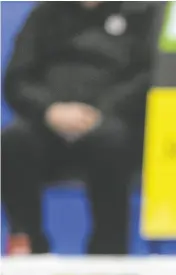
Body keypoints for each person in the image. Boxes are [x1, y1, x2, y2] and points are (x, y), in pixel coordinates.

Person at [1, 1, 157, 255]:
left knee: (112, 140)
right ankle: (27, 243)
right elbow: (17, 79)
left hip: (110, 121)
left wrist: (100, 111)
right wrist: (49, 110)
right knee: (13, 140)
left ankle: (109, 251)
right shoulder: (45, 14)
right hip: (50, 122)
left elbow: (148, 75)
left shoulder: (140, 13)